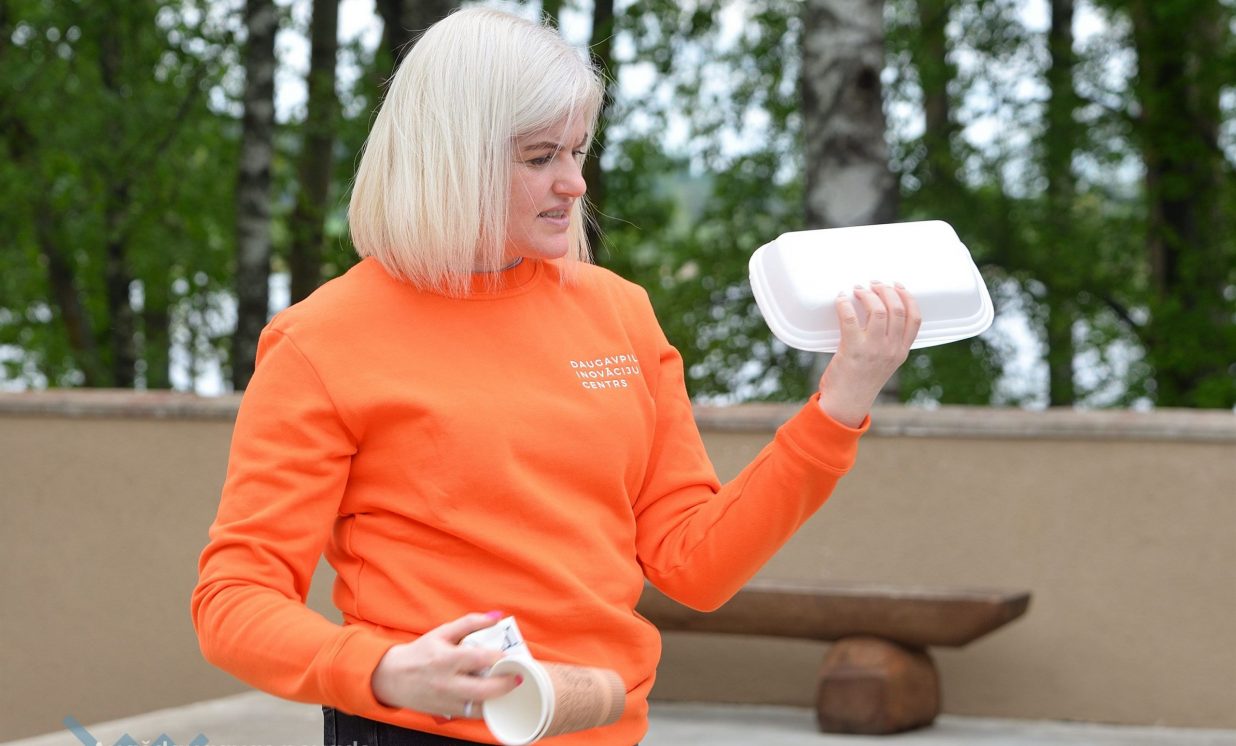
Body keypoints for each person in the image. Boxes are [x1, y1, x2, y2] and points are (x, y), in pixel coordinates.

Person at [190, 6, 922, 746]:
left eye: (577, 150)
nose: (574, 183)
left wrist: (840, 403)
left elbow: (695, 565)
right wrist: (382, 669)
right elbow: (234, 599)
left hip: (598, 725)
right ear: (452, 157)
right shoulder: (321, 340)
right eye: (540, 157)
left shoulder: (620, 314)